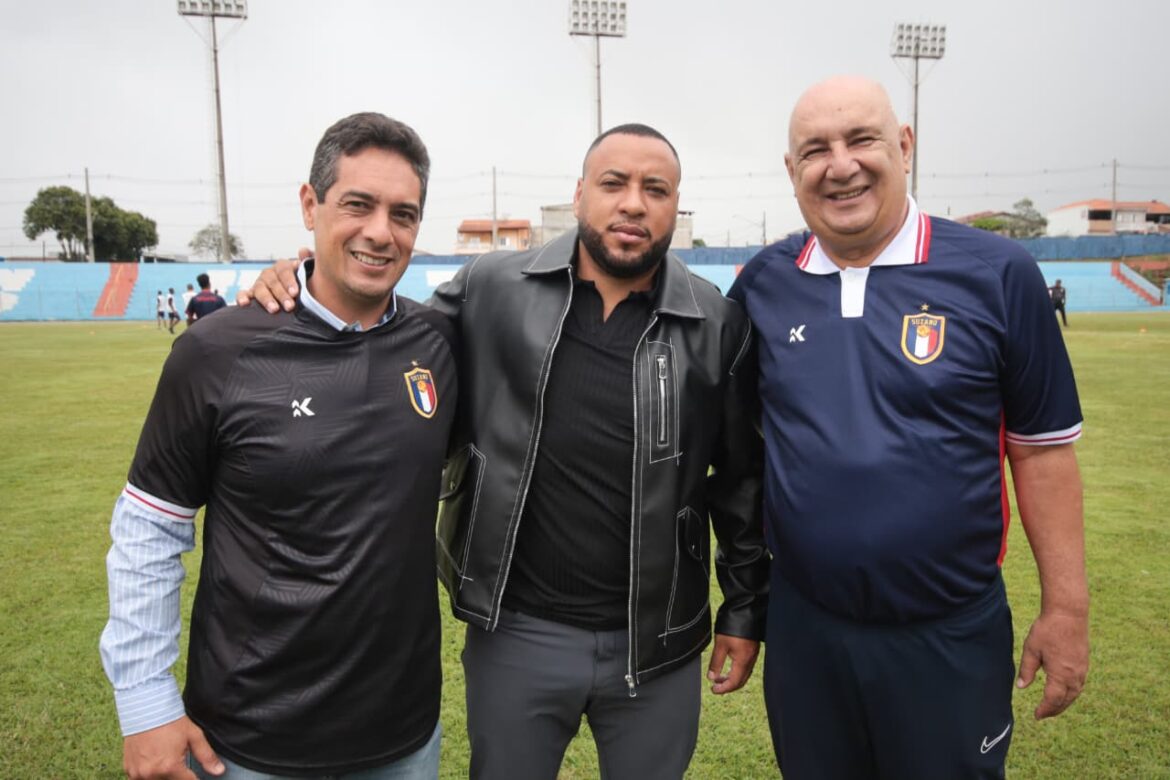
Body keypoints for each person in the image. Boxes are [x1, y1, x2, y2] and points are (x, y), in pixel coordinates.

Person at [245, 123, 770, 780]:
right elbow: (385, 334)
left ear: (675, 205)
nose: (633, 203)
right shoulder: (491, 287)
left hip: (659, 645)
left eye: (655, 189)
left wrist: (743, 608)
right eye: (614, 183)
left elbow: (740, 480)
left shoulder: (717, 322)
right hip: (517, 633)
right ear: (579, 195)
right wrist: (301, 278)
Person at [728, 75, 1089, 779]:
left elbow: (1042, 455)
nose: (840, 165)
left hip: (948, 632)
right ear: (791, 169)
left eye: (861, 139)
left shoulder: (999, 273)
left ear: (904, 144)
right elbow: (734, 455)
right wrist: (743, 609)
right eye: (815, 150)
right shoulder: (763, 284)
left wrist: (1066, 610)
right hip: (805, 631)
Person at [100, 112, 456, 780]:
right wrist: (145, 703)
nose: (381, 232)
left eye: (403, 214)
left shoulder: (440, 342)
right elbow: (151, 527)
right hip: (247, 739)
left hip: (404, 735)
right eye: (358, 205)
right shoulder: (215, 353)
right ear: (310, 205)